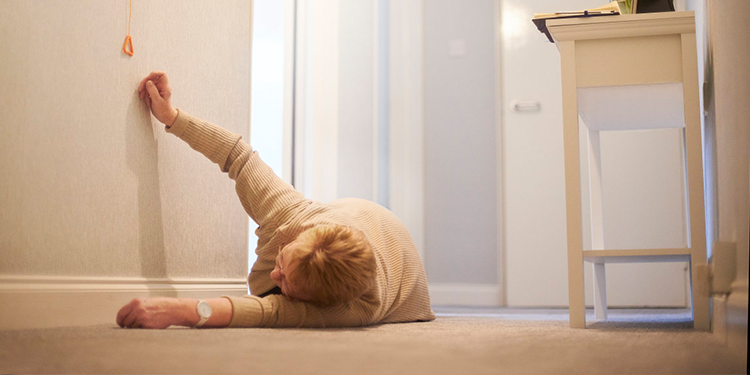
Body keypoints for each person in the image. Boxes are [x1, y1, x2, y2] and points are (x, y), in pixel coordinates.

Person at [116, 71, 436, 329]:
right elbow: (238, 156)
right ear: (298, 236)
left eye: (287, 283)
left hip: (402, 277)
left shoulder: (356, 309)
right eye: (283, 262)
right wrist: (171, 115)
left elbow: (267, 312)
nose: (273, 274)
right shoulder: (288, 215)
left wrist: (182, 311)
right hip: (361, 215)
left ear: (322, 302)